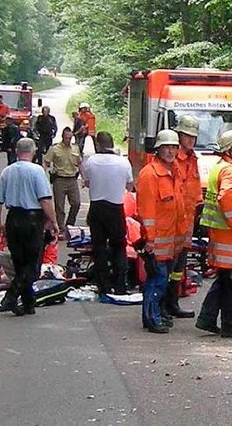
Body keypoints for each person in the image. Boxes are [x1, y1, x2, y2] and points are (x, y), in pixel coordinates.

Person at [195, 129, 232, 339]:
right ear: (228, 151)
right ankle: (230, 324)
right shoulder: (230, 171)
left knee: (224, 279)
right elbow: (227, 198)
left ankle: (207, 318)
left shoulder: (220, 167)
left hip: (222, 235)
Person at [0, 138, 59, 316]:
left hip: (13, 218)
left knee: (20, 262)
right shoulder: (37, 171)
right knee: (32, 265)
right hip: (32, 220)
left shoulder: (7, 171)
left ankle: (29, 303)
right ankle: (11, 296)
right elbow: (45, 199)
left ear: (16, 151)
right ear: (34, 151)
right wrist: (53, 222)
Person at [137, 129, 186, 333]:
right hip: (156, 241)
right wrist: (149, 239)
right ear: (158, 149)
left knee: (162, 281)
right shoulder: (150, 174)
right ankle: (152, 319)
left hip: (170, 240)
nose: (171, 151)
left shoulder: (173, 172)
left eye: (174, 147)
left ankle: (156, 315)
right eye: (166, 147)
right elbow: (146, 210)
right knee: (156, 281)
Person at [159, 116, 202, 320]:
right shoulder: (173, 159)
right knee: (167, 264)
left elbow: (194, 190)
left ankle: (173, 302)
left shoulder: (193, 159)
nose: (191, 140)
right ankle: (162, 306)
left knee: (178, 267)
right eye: (187, 136)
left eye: (194, 136)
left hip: (187, 221)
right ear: (179, 135)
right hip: (172, 221)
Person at [82, 131, 133, 296]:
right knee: (119, 247)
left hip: (97, 208)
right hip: (115, 207)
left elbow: (87, 182)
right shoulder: (123, 162)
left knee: (99, 248)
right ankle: (120, 285)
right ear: (112, 143)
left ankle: (103, 286)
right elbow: (130, 186)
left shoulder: (91, 161)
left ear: (98, 144)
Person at [43, 127, 83, 239]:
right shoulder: (55, 149)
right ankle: (61, 228)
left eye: (70, 138)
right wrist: (42, 176)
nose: (68, 140)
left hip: (72, 180)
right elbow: (46, 162)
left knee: (76, 203)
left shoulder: (75, 148)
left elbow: (79, 163)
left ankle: (70, 225)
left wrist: (84, 178)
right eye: (66, 138)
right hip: (59, 179)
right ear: (62, 137)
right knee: (59, 206)